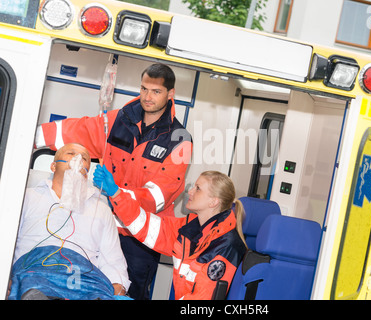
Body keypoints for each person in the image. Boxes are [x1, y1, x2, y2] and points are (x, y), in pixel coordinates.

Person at [34, 63, 192, 299]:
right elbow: (77, 131)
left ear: (171, 94)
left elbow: (158, 197)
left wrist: (116, 193)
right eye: (144, 89)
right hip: (104, 226)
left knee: (132, 292)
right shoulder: (118, 120)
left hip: (140, 235)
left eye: (156, 92)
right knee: (91, 287)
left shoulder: (181, 141)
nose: (148, 97)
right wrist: (29, 134)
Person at [94, 169, 247, 300]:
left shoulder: (225, 243)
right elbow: (146, 225)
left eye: (198, 188)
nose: (190, 191)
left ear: (213, 202)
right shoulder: (190, 227)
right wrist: (116, 194)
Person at [9, 143, 130, 300]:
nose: (78, 158)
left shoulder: (101, 210)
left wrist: (116, 288)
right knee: (31, 288)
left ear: (86, 173)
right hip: (35, 272)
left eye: (84, 157)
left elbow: (113, 260)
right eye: (70, 153)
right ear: (53, 166)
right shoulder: (27, 197)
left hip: (85, 280)